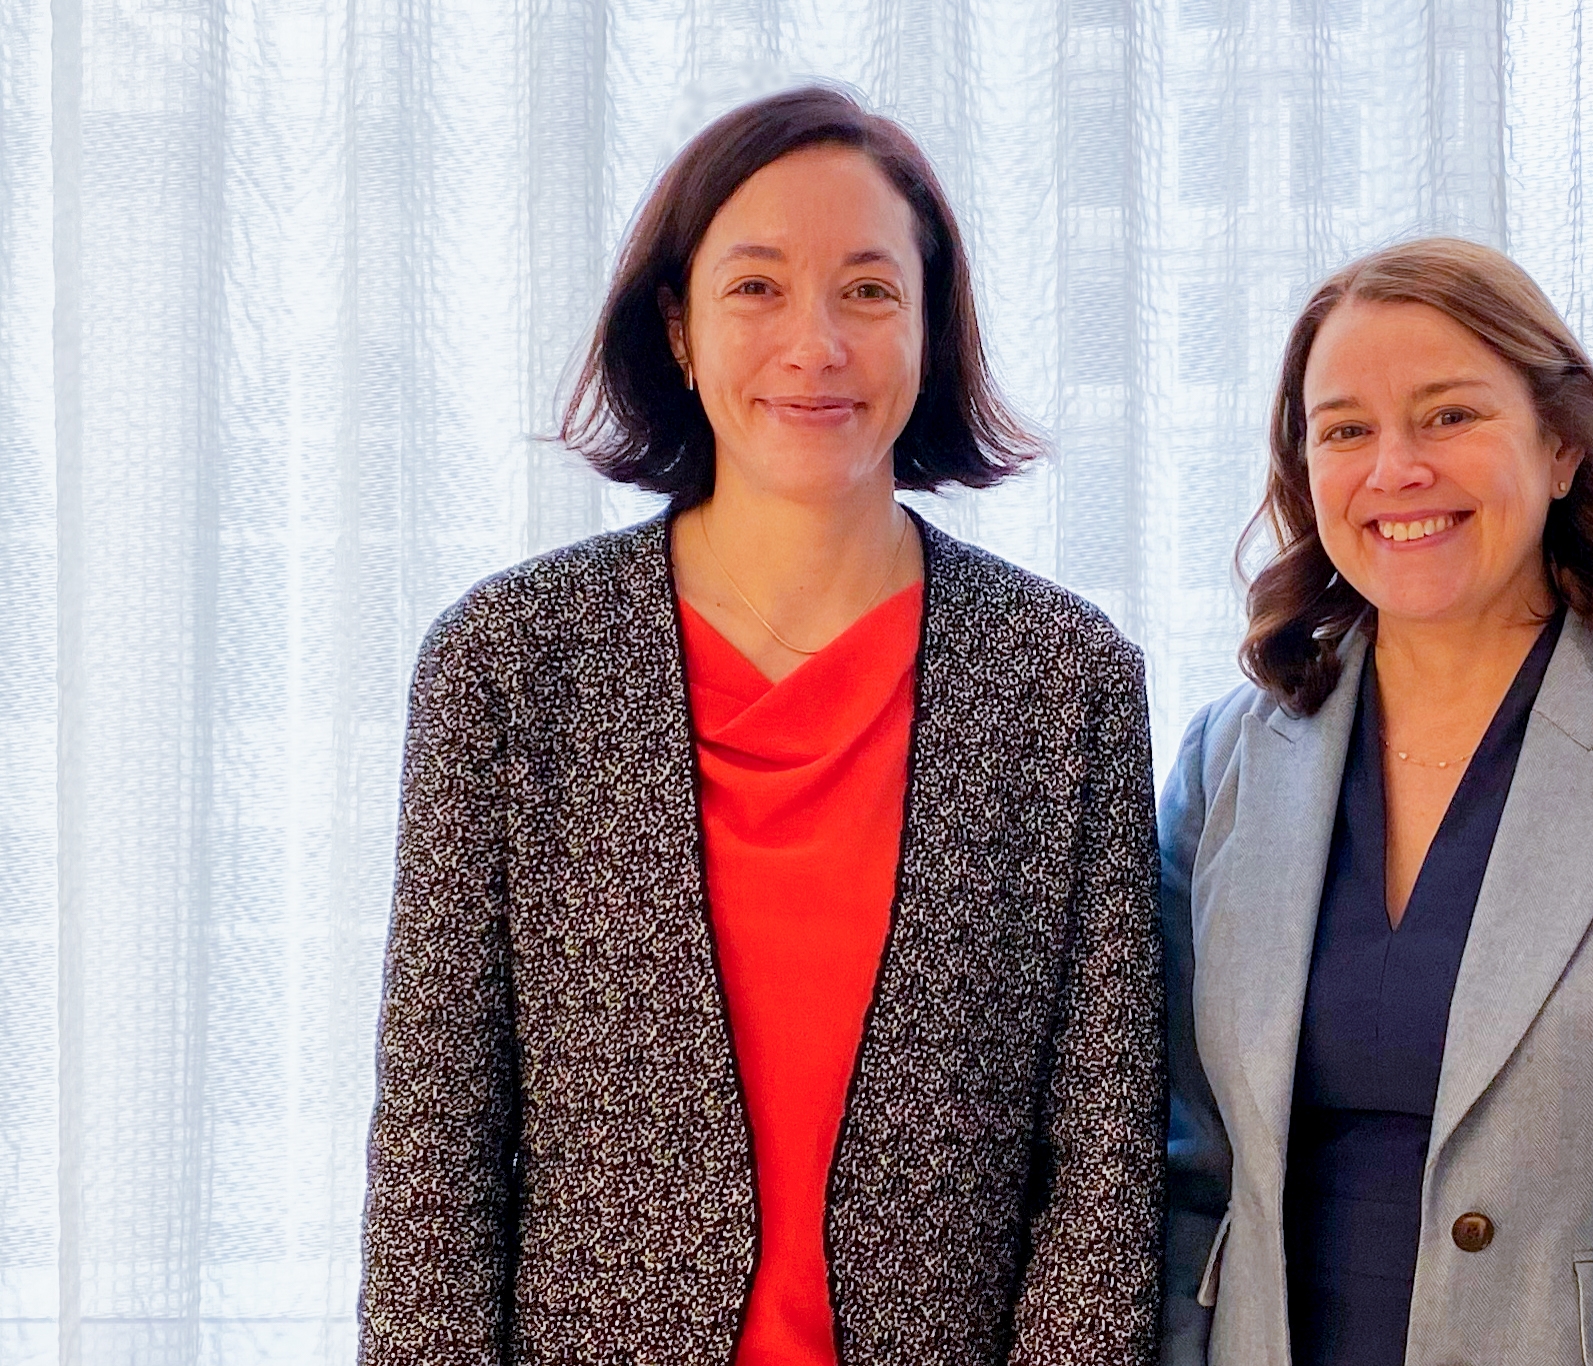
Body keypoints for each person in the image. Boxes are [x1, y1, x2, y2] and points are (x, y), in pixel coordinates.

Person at [359, 85, 1162, 1366]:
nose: (814, 343)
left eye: (867, 290)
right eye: (755, 288)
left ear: (928, 331)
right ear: (677, 327)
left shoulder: (1063, 679)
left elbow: (1105, 1164)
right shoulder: (509, 663)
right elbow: (434, 1157)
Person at [1160, 237, 1593, 1366]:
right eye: (1345, 429)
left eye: (1448, 416)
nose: (1395, 468)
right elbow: (1182, 1179)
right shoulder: (1228, 763)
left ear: (1557, 447)